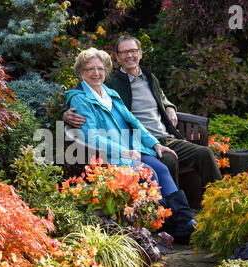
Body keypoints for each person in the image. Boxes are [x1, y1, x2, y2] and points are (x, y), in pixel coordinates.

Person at [65, 47, 196, 243]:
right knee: (148, 173)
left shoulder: (110, 93)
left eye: (100, 69)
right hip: (109, 155)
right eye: (90, 69)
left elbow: (134, 122)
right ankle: (163, 226)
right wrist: (123, 151)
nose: (96, 73)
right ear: (81, 72)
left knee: (162, 167)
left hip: (131, 148)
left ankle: (184, 222)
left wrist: (155, 144)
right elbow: (91, 137)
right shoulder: (80, 98)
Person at [63, 34, 222, 193]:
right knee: (168, 161)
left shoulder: (149, 77)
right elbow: (83, 94)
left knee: (205, 153)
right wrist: (64, 114)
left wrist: (169, 106)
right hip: (138, 142)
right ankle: (170, 209)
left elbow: (162, 97)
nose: (129, 56)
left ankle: (217, 200)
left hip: (163, 137)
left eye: (133, 51)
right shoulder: (111, 84)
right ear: (117, 57)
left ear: (140, 53)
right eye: (124, 52)